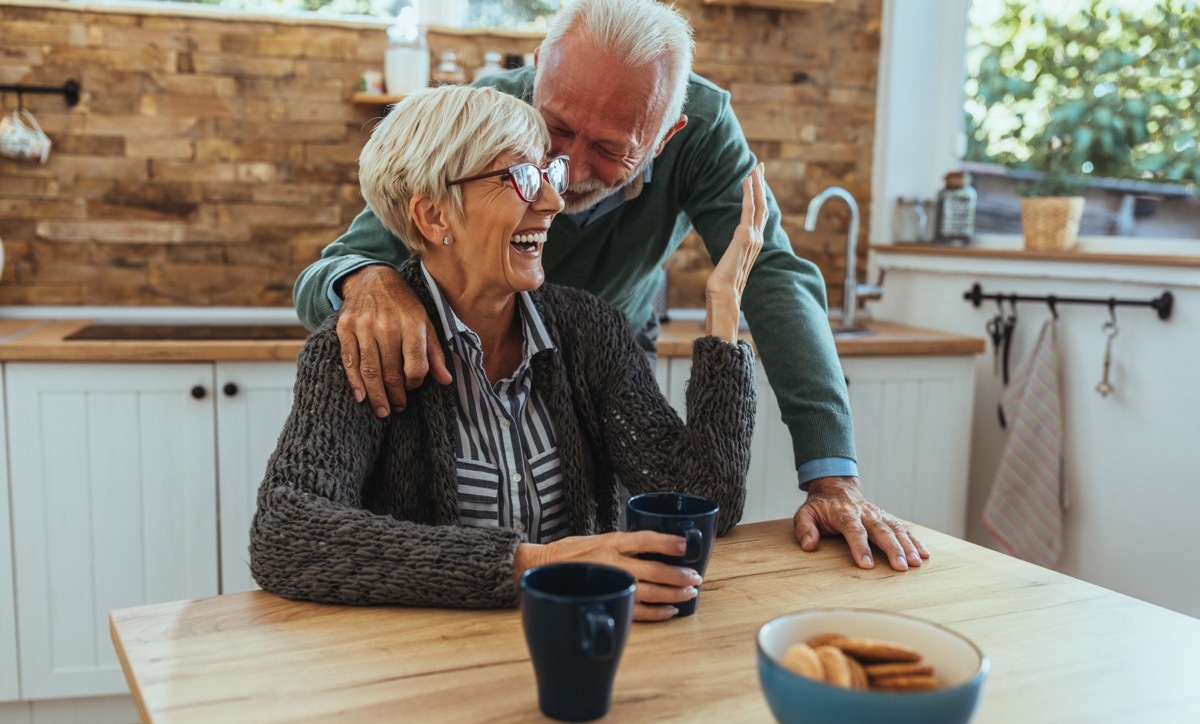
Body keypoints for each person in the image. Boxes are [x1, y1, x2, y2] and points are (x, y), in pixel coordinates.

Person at [292, 0, 929, 573]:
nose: (561, 177)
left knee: (598, 517)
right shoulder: (484, 124)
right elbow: (342, 262)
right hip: (452, 363)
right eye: (556, 130)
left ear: (667, 135)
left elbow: (771, 276)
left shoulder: (702, 132)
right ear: (538, 69)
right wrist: (371, 281)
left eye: (610, 148)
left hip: (607, 349)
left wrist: (831, 475)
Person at [251, 85, 763, 621]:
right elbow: (286, 532)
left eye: (548, 174)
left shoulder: (592, 332)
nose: (553, 201)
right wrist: (534, 563)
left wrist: (724, 308)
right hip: (427, 666)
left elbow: (704, 497)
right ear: (434, 217)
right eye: (519, 179)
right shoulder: (358, 349)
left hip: (581, 649)